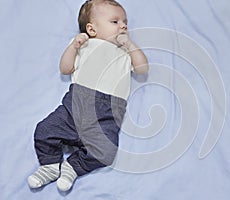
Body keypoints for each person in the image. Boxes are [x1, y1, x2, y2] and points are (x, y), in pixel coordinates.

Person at [27, 0, 148, 192]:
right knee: (44, 130)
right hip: (75, 107)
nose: (124, 25)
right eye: (115, 21)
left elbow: (142, 69)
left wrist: (131, 45)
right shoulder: (83, 44)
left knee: (107, 152)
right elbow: (65, 69)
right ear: (92, 29)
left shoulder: (126, 52)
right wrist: (74, 47)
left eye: (125, 22)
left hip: (108, 114)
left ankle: (73, 166)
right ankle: (49, 165)